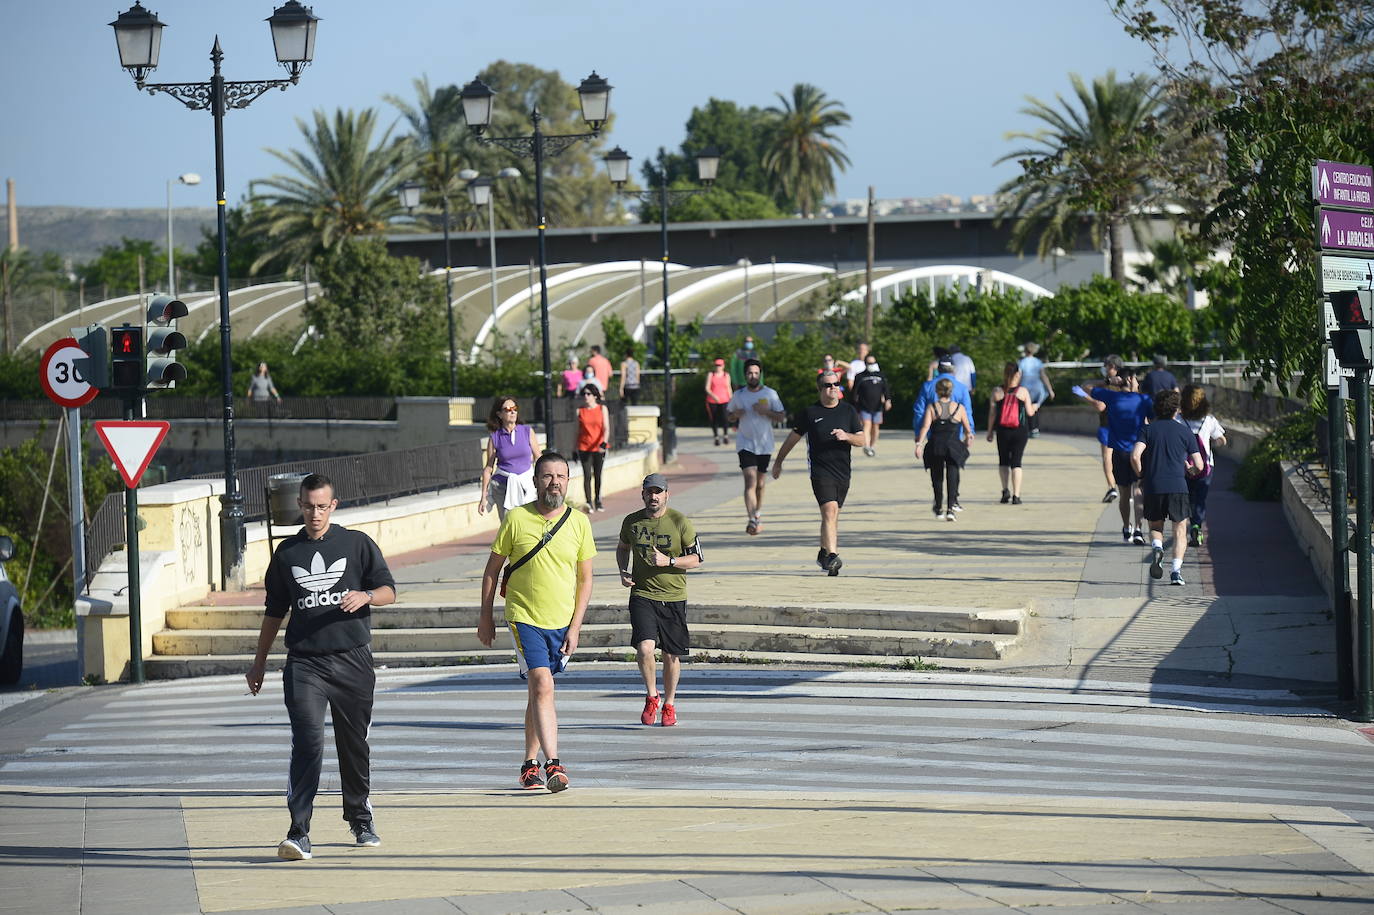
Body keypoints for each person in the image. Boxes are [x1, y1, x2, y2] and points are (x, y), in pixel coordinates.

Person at [246, 473, 397, 861]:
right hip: (304, 664)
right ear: (299, 505)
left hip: (352, 660)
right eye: (308, 506)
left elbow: (388, 591)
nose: (314, 513)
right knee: (308, 742)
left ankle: (360, 817)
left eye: (322, 506)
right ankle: (299, 832)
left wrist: (365, 596)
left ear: (334, 506)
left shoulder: (357, 544)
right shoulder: (287, 553)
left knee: (353, 744)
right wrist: (259, 662)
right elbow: (274, 611)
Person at [478, 452, 596, 791]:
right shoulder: (516, 519)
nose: (554, 482)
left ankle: (529, 763)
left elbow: (585, 579)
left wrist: (575, 626)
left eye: (560, 476)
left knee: (537, 690)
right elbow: (492, 571)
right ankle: (554, 765)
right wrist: (486, 615)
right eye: (547, 476)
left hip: (561, 621)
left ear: (568, 482)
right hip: (524, 617)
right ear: (535, 481)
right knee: (544, 684)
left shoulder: (579, 522)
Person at [616, 473, 703, 727]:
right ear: (642, 494)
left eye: (658, 492)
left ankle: (669, 703)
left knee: (670, 655)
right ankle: (652, 696)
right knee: (644, 648)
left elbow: (697, 559)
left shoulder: (679, 521)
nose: (653, 496)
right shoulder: (631, 522)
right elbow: (623, 548)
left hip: (674, 596)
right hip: (642, 594)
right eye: (649, 492)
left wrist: (670, 561)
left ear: (667, 494)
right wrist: (623, 570)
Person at [772, 370, 864, 575]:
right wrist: (778, 462)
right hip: (820, 472)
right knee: (829, 511)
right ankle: (833, 555)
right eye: (828, 385)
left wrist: (846, 436)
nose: (833, 388)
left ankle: (824, 552)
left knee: (832, 516)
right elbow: (792, 439)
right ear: (819, 388)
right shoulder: (810, 413)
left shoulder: (848, 411)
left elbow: (862, 440)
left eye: (836, 384)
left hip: (843, 473)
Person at [1132, 390, 1204, 585]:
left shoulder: (1147, 430)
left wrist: (1141, 474)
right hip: (1178, 486)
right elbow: (1199, 465)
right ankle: (1176, 572)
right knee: (1180, 529)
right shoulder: (1185, 432)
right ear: (1178, 410)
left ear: (1156, 408)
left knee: (1155, 526)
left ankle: (1157, 547)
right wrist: (1190, 471)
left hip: (1153, 485)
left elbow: (1135, 456)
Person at [1078, 368, 1152, 543]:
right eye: (1136, 379)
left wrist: (1108, 381)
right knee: (1139, 490)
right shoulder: (1143, 400)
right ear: (1130, 379)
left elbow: (1084, 386)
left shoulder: (1112, 397)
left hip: (1119, 452)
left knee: (1124, 493)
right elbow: (1154, 420)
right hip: (1138, 451)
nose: (1138, 383)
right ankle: (1139, 530)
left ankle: (1127, 527)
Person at [725, 358, 786, 535]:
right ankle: (752, 519)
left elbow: (782, 417)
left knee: (760, 483)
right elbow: (729, 415)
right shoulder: (739, 395)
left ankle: (757, 512)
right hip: (745, 444)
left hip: (765, 445)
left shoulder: (770, 394)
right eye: (750, 373)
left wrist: (766, 412)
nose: (753, 376)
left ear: (760, 374)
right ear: (745, 375)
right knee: (750, 481)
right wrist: (734, 415)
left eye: (756, 373)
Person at [915, 377, 972, 521]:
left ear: (937, 391)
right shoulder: (959, 408)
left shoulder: (932, 407)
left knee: (937, 477)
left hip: (936, 446)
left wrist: (919, 444)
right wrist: (968, 438)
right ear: (951, 391)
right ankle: (951, 508)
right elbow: (967, 429)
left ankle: (939, 508)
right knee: (953, 476)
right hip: (953, 447)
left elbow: (925, 427)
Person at [479, 396, 543, 522]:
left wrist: (543, 480)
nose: (512, 412)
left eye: (514, 408)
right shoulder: (495, 437)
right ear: (499, 414)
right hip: (502, 485)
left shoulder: (527, 431)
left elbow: (538, 457)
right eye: (508, 409)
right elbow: (488, 468)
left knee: (529, 521)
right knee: (508, 523)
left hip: (527, 485)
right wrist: (483, 496)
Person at [1180, 384, 1227, 547]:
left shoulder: (1179, 420)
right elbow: (1222, 440)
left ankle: (1183, 526)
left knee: (1186, 497)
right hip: (1206, 466)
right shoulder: (1209, 420)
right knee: (1200, 499)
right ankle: (1196, 526)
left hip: (1183, 466)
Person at [986, 362, 1037, 504]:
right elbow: (1029, 412)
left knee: (1003, 461)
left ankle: (1005, 491)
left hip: (1002, 431)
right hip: (1020, 431)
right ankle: (1017, 495)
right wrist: (1035, 407)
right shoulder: (1023, 392)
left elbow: (992, 414)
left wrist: (990, 431)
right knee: (1016, 462)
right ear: (1017, 374)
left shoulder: (997, 391)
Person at [914, 358, 974, 445]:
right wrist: (970, 432)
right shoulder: (962, 388)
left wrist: (918, 433)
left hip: (933, 438)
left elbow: (919, 411)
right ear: (953, 369)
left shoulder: (927, 386)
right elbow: (967, 412)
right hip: (955, 437)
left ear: (938, 368)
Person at [575, 385, 611, 512]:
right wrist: (575, 448)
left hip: (598, 447)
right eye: (584, 394)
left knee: (598, 475)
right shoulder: (580, 410)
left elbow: (606, 428)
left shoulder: (602, 409)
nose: (586, 396)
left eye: (589, 394)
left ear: (595, 396)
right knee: (586, 475)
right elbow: (577, 431)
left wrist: (604, 443)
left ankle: (598, 501)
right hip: (584, 447)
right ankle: (589, 502)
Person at [849, 352, 891, 457]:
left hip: (877, 407)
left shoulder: (881, 376)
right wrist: (854, 406)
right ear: (865, 363)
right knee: (867, 425)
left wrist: (888, 400)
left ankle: (872, 446)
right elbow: (854, 392)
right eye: (869, 363)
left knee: (875, 427)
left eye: (873, 362)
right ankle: (867, 446)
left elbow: (886, 390)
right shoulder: (860, 376)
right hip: (864, 406)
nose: (871, 364)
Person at [1017, 343, 1055, 437]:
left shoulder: (1022, 362)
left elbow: (1019, 376)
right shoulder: (1038, 362)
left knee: (1024, 408)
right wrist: (1050, 390)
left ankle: (1026, 428)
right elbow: (1043, 376)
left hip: (1025, 388)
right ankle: (1035, 428)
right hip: (1037, 388)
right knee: (1034, 408)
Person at [705, 358, 733, 446]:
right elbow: (707, 388)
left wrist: (732, 399)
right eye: (716, 365)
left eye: (720, 365)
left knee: (725, 418)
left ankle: (725, 435)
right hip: (712, 400)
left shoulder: (726, 375)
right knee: (714, 419)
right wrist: (714, 396)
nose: (718, 367)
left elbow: (728, 387)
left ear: (723, 366)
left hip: (725, 400)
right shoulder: (711, 375)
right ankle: (716, 437)